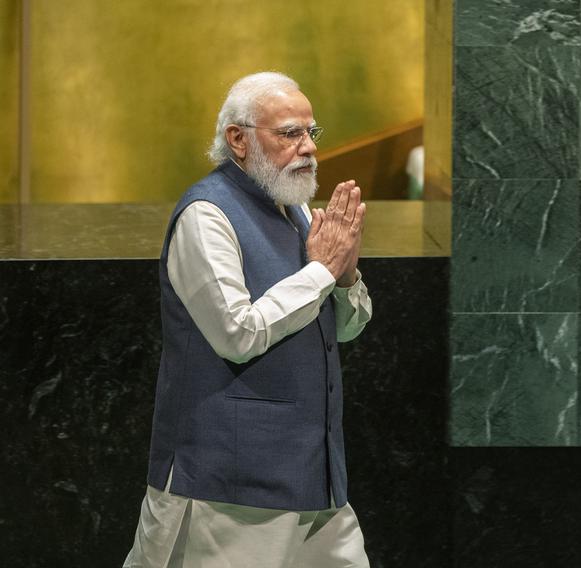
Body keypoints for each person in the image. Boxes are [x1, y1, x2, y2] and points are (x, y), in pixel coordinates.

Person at [123, 71, 372, 567]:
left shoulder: (294, 211)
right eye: (289, 133)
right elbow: (237, 333)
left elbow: (341, 329)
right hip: (229, 485)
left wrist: (343, 276)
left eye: (311, 133)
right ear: (238, 139)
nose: (307, 148)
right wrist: (322, 269)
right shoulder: (206, 215)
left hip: (314, 474)